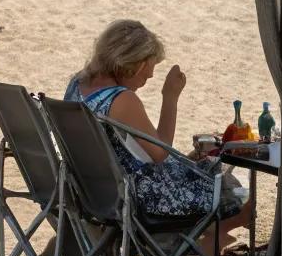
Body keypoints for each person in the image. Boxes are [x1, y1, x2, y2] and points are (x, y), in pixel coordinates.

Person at [65, 19, 252, 232]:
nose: (150, 77)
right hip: (135, 198)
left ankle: (198, 241)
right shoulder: (121, 100)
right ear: (136, 65)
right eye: (148, 72)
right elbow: (160, 154)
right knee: (225, 186)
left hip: (92, 189)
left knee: (201, 166)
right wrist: (170, 97)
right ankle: (204, 243)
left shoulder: (79, 83)